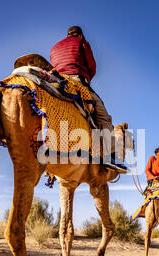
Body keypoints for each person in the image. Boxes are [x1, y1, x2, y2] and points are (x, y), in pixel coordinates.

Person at [50, 26, 128, 173]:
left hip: (56, 80)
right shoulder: (82, 42)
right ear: (80, 34)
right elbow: (92, 67)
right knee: (103, 115)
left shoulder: (55, 46)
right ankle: (109, 155)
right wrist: (87, 78)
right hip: (75, 80)